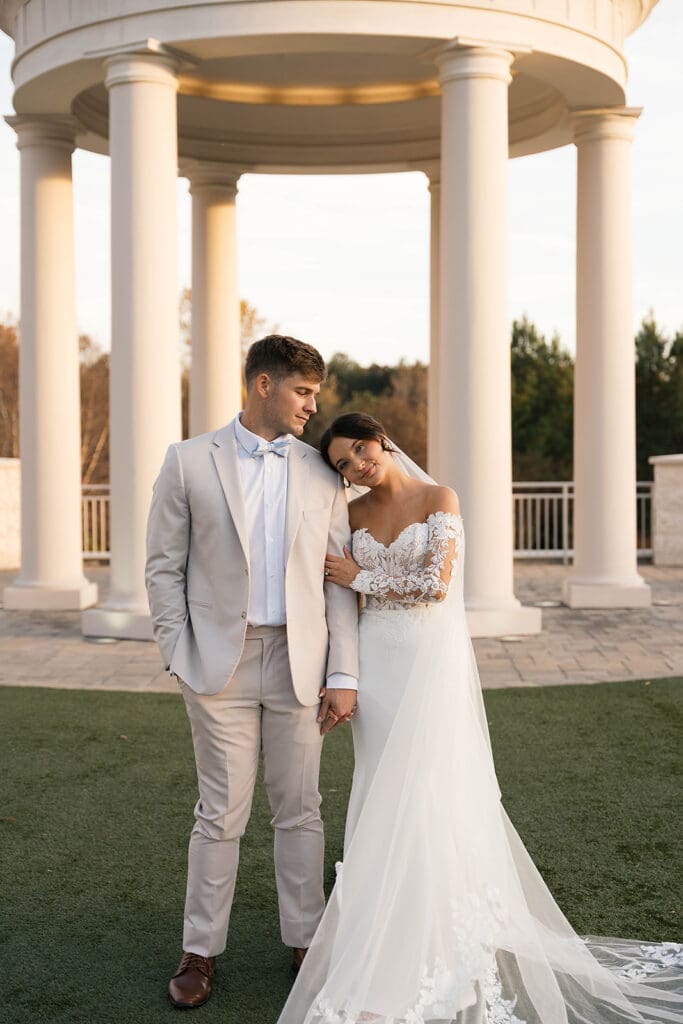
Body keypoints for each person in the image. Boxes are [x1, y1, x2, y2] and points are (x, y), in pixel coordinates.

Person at [276, 411, 683, 1024]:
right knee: (381, 787)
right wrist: (342, 671)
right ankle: (380, 924)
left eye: (360, 449)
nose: (357, 465)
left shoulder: (440, 497)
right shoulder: (351, 514)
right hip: (377, 668)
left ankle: (438, 927)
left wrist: (363, 575)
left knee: (431, 788)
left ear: (381, 440)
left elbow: (436, 585)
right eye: (343, 463)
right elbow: (341, 601)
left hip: (426, 662)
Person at [145, 337, 359, 1009]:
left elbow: (336, 582)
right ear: (263, 384)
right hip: (218, 666)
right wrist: (179, 652)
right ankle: (200, 951)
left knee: (300, 810)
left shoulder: (323, 472)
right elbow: (162, 566)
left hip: (300, 662)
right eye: (303, 392)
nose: (312, 406)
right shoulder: (187, 461)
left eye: (315, 394)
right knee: (219, 813)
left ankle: (306, 942)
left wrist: (343, 672)